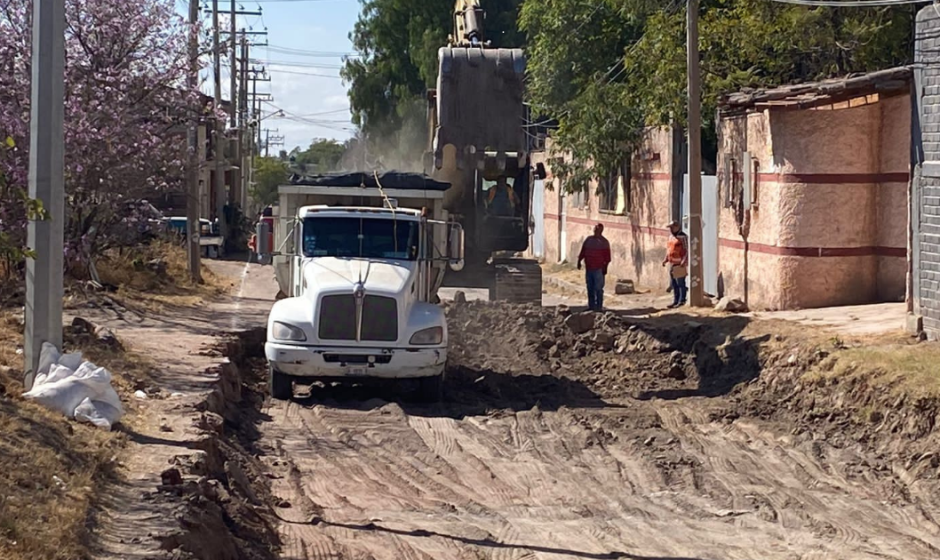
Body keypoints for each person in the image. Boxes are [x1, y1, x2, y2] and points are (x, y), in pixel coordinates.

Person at [577, 223, 611, 312]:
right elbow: (583, 251)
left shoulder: (604, 242)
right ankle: (591, 306)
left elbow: (607, 258)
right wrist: (579, 262)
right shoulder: (589, 240)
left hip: (598, 269)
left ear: (601, 230)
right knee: (590, 287)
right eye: (595, 228)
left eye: (598, 228)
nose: (595, 230)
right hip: (589, 268)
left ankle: (599, 307)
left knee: (598, 288)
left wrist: (605, 268)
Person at [662, 220, 689, 308]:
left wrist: (683, 261)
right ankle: (675, 300)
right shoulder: (671, 237)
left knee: (681, 283)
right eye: (670, 228)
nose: (671, 229)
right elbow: (669, 249)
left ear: (677, 227)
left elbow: (686, 250)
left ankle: (682, 300)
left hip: (679, 264)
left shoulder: (683, 237)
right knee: (674, 284)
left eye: (672, 227)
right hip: (672, 263)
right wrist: (665, 259)